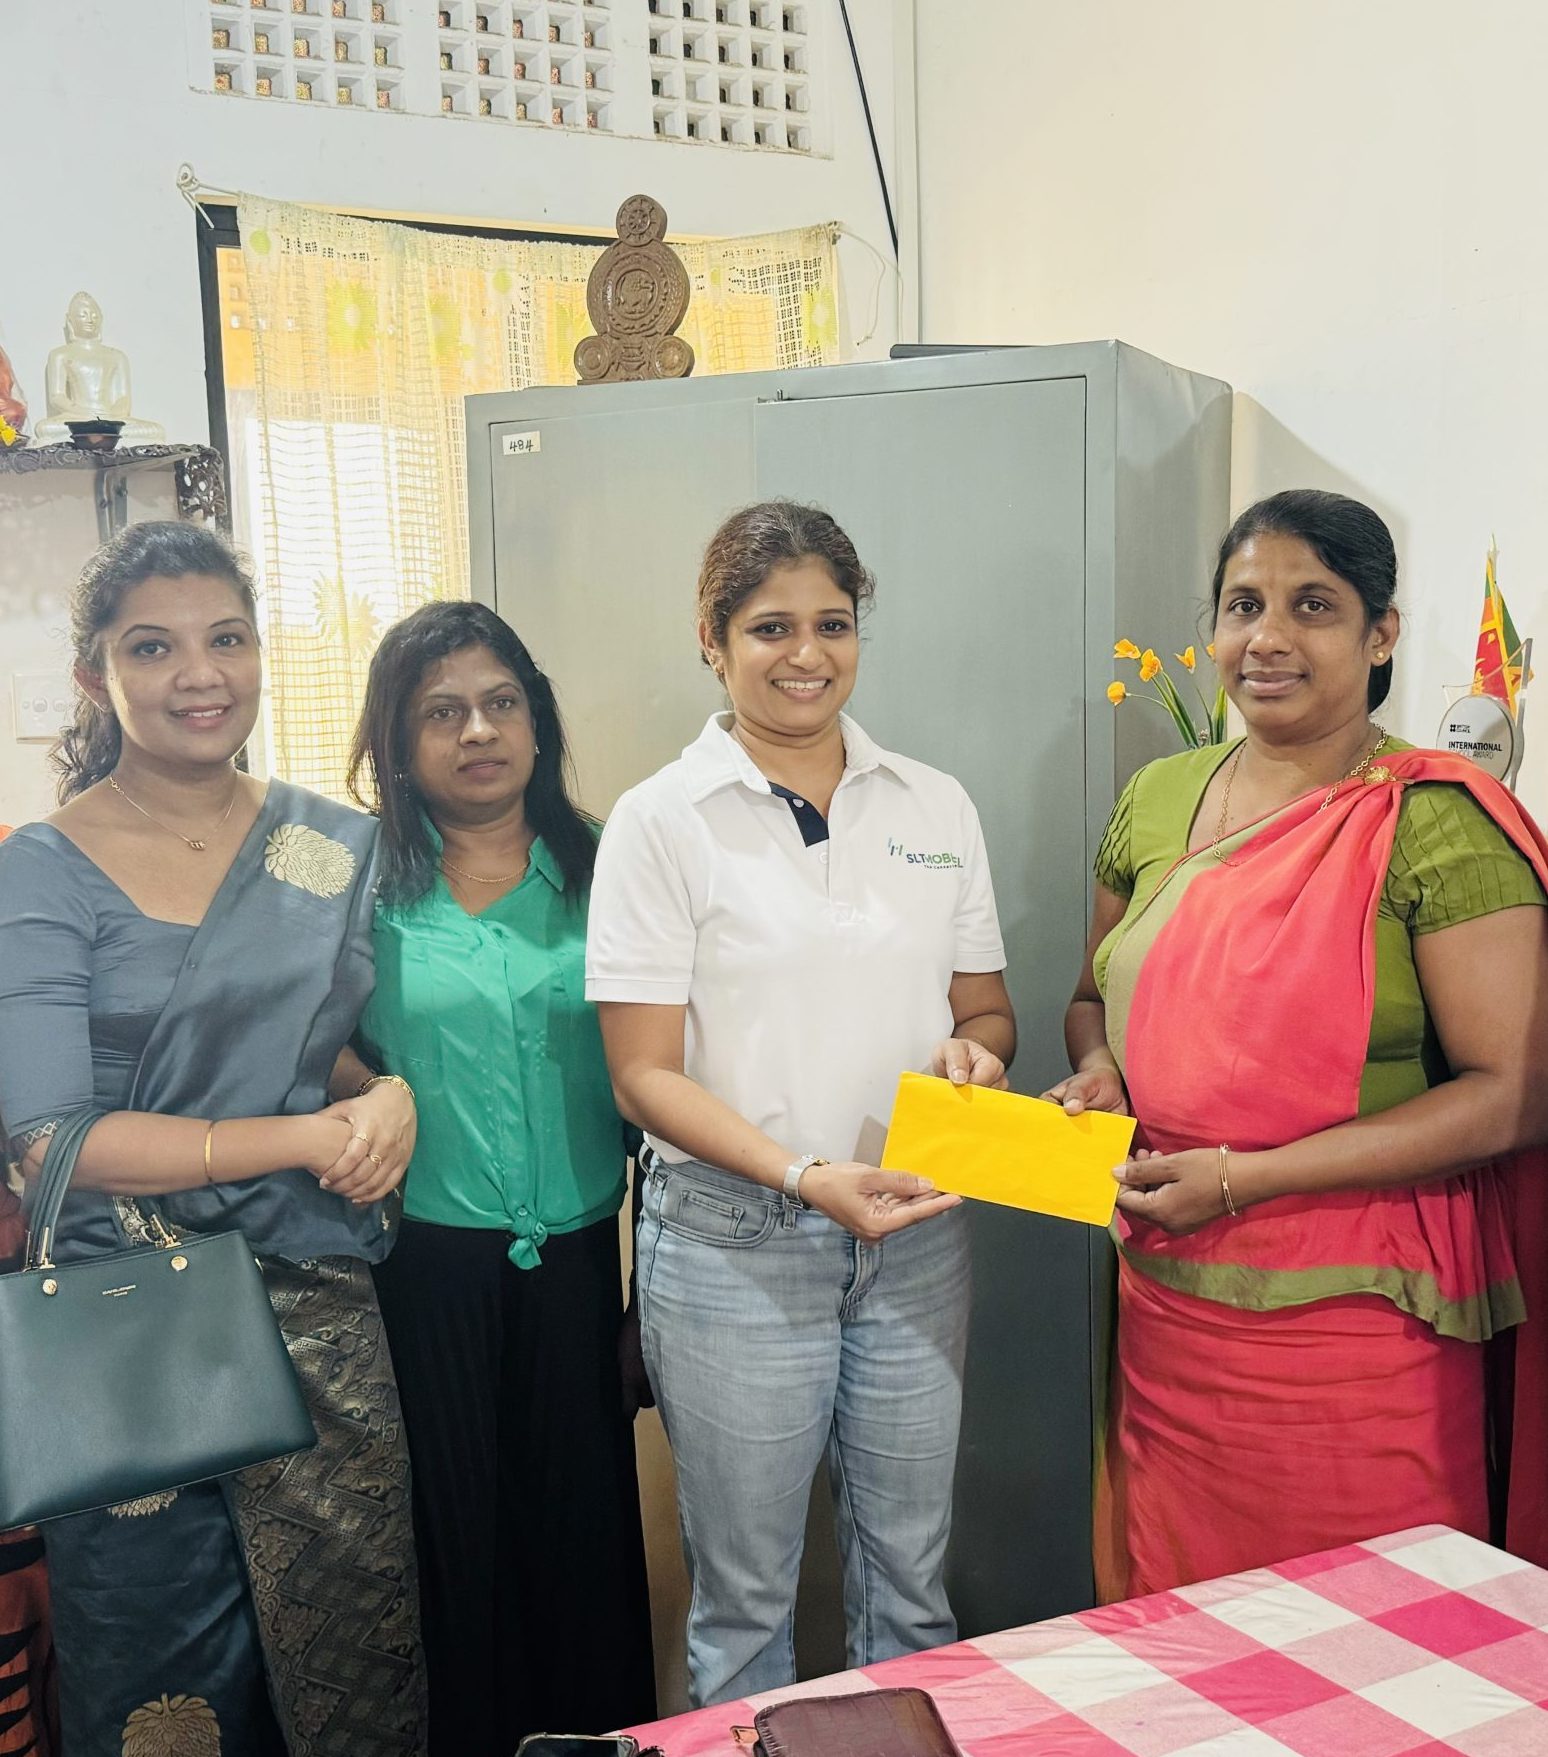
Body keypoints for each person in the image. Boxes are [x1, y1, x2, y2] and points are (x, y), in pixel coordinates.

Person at [1048, 489, 1548, 1598]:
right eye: (1243, 604)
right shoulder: (1158, 794)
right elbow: (1091, 996)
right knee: (1178, 1647)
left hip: (1359, 1330)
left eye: (1311, 604)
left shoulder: (1434, 818)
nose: (1265, 637)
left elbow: (1518, 1093)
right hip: (1167, 1305)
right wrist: (1101, 1069)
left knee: (1374, 1643)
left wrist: (1244, 1176)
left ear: (1380, 634)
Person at [0, 522, 424, 1756]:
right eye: (155, 646)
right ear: (95, 676)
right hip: (129, 1321)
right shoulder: (44, 864)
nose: (202, 673)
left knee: (361, 1645)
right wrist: (298, 1136)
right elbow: (49, 1143)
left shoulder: (323, 841)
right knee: (161, 1670)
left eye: (226, 637)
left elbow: (318, 1046)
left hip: (317, 1304)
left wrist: (380, 1096)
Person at [587, 500, 1016, 1707]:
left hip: (919, 1234)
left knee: (913, 1589)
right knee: (744, 1607)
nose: (807, 652)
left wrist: (978, 1060)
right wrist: (796, 1173)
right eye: (771, 625)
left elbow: (987, 1013)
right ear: (712, 640)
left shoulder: (934, 804)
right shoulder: (662, 820)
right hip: (734, 1244)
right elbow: (642, 1073)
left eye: (834, 622)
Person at [348, 601, 655, 1754]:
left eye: (501, 703)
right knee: (451, 1548)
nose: (477, 731)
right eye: (442, 711)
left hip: (582, 1266)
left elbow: (665, 1081)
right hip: (420, 1273)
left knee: (582, 1547)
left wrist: (645, 1302)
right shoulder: (358, 892)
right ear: (400, 741)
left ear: (537, 721)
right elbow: (304, 1040)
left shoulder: (615, 865)